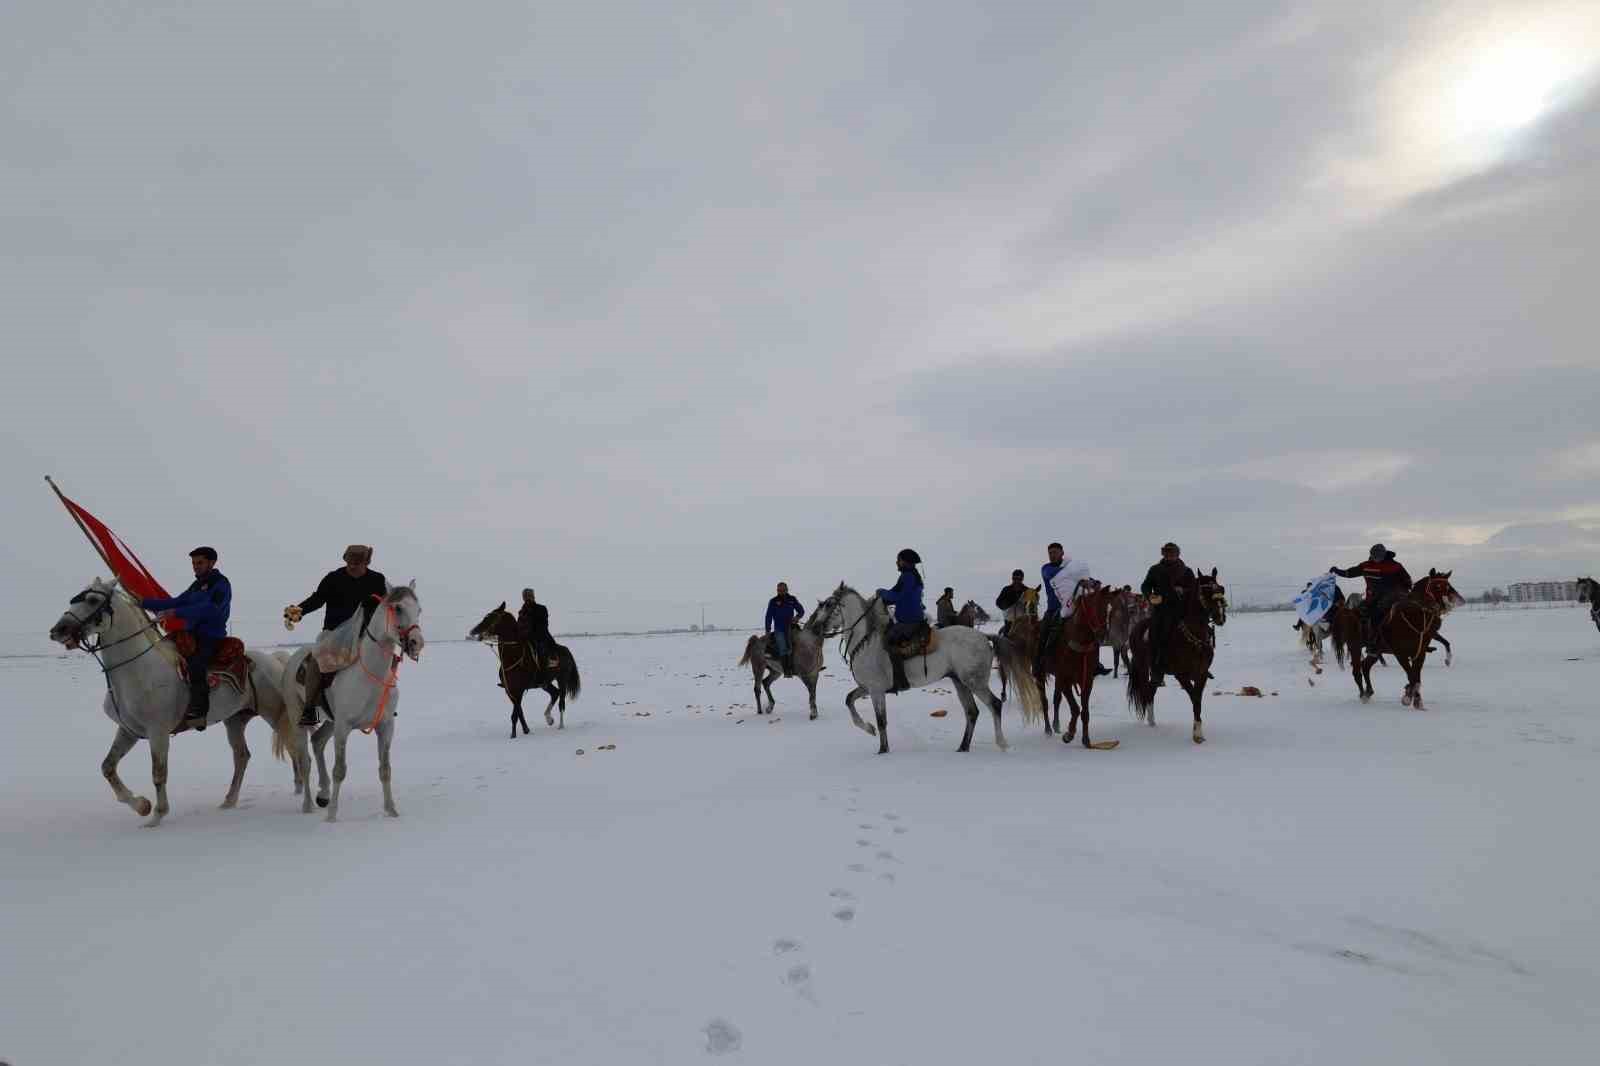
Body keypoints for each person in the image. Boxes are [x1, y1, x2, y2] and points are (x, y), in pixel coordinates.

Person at [284, 545, 388, 726]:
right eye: (349, 562)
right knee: (317, 661)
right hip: (333, 635)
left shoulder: (377, 580)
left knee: (384, 661)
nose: (353, 566)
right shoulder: (333, 578)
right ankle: (310, 709)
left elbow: (385, 607)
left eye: (357, 563)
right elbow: (317, 599)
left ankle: (383, 705)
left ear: (366, 562)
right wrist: (299, 610)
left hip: (365, 636)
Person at [140, 546, 232, 730]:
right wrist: (142, 601)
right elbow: (174, 601)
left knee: (197, 665)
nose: (195, 566)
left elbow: (210, 609)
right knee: (158, 652)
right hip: (189, 634)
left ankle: (198, 712)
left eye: (200, 563)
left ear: (212, 563)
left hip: (210, 636)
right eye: (193, 563)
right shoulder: (196, 585)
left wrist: (176, 612)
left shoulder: (221, 584)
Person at [1329, 544, 1412, 642]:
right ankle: (1358, 638)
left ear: (1384, 555)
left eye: (1379, 556)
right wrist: (1337, 571)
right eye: (1374, 556)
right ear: (1371, 555)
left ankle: (1376, 641)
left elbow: (1407, 580)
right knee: (1358, 614)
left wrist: (1403, 589)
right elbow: (1350, 573)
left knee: (1377, 615)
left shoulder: (1395, 566)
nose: (1377, 559)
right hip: (1372, 598)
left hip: (1391, 599)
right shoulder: (1366, 566)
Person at [1141, 541, 1197, 684]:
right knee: (1156, 634)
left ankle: (1200, 665)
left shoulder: (1187, 571)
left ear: (1178, 554)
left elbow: (1194, 588)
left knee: (1202, 632)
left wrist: (1183, 590)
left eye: (1172, 553)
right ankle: (1156, 669)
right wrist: (1150, 596)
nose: (1170, 556)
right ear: (1163, 554)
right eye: (1167, 553)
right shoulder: (1155, 569)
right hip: (1162, 609)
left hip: (1183, 610)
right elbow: (1146, 585)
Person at [876, 548, 926, 691]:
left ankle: (901, 681)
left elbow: (899, 597)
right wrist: (884, 595)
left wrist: (881, 592)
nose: (897, 563)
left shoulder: (908, 577)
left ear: (905, 562)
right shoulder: (908, 576)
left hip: (910, 621)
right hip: (908, 619)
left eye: (899, 560)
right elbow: (893, 593)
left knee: (888, 641)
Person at [764, 581, 806, 676]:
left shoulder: (792, 599)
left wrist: (797, 618)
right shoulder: (773, 601)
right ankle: (787, 670)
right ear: (777, 591)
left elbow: (801, 611)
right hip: (779, 629)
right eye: (779, 590)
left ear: (787, 590)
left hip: (792, 628)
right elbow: (768, 617)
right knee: (783, 648)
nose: (781, 592)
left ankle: (809, 665)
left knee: (804, 643)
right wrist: (767, 630)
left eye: (783, 590)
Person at [518, 588, 554, 665]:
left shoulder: (541, 609)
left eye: (529, 596)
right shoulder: (521, 612)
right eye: (525, 596)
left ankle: (548, 664)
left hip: (540, 637)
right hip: (524, 638)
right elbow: (519, 626)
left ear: (533, 597)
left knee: (541, 651)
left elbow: (543, 625)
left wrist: (530, 634)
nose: (527, 598)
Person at [995, 569, 1029, 636]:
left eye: (1019, 579)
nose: (1017, 581)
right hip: (1009, 619)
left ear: (1022, 579)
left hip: (1024, 619)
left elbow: (1032, 603)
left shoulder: (1027, 590)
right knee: (1007, 635)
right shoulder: (1006, 589)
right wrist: (1005, 606)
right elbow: (998, 602)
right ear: (1012, 578)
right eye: (1015, 578)